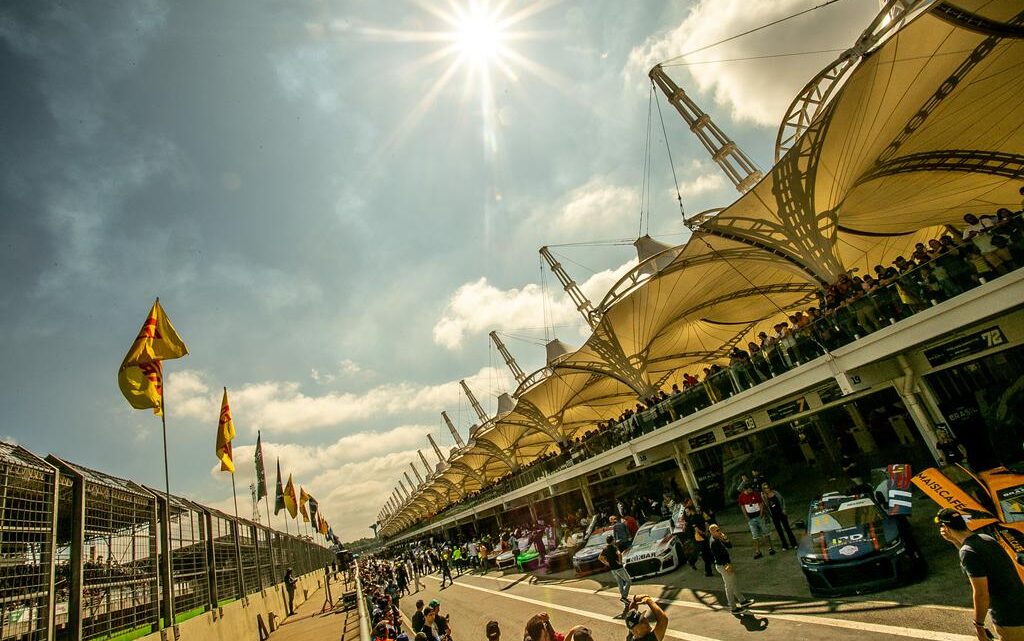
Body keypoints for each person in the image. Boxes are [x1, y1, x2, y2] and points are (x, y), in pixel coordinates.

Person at [936, 509, 1024, 640]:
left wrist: (978, 625)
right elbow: (973, 556)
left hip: (1008, 614)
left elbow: (981, 593)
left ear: (946, 528)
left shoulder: (968, 552)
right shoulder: (986, 538)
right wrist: (955, 541)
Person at [708, 524, 755, 614]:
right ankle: (733, 607)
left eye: (719, 529)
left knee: (733, 583)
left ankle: (742, 600)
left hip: (725, 564)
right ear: (712, 532)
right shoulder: (714, 542)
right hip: (723, 565)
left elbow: (730, 546)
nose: (719, 531)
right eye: (717, 530)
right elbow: (719, 556)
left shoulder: (718, 538)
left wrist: (725, 539)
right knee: (729, 586)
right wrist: (727, 566)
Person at [737, 484, 774, 558]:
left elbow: (761, 504)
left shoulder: (756, 494)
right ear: (745, 490)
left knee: (766, 532)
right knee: (755, 535)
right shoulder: (741, 497)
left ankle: (770, 548)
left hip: (759, 516)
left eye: (751, 489)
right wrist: (746, 516)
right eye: (749, 490)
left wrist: (761, 514)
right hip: (751, 518)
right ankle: (758, 551)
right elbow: (742, 507)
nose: (751, 491)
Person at [598, 534, 631, 612]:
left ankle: (625, 601)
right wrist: (620, 562)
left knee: (620, 583)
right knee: (628, 581)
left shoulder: (605, 549)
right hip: (618, 568)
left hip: (612, 569)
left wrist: (607, 563)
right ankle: (624, 597)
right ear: (612, 540)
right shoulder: (614, 547)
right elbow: (619, 554)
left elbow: (600, 558)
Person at [760, 483, 798, 551]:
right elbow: (766, 507)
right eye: (765, 488)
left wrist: (784, 509)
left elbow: (782, 500)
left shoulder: (775, 493)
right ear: (764, 490)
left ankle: (794, 544)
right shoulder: (764, 497)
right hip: (774, 515)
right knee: (779, 531)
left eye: (768, 487)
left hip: (781, 513)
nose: (767, 489)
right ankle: (785, 545)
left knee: (787, 528)